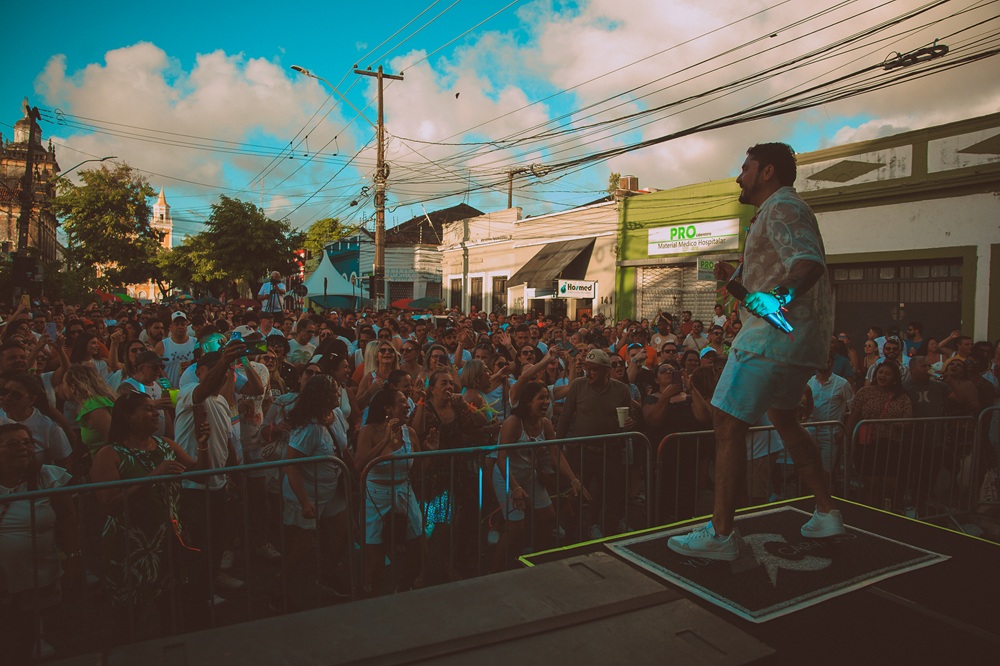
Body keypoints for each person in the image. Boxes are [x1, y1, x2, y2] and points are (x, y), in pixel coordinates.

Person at [668, 143, 843, 561]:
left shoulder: (784, 207)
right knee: (784, 419)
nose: (738, 176)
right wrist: (735, 283)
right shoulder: (770, 214)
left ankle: (722, 534)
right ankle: (825, 511)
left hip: (770, 339)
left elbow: (809, 262)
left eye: (744, 168)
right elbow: (760, 290)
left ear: (767, 171)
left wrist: (777, 299)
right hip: (798, 344)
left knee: (725, 420)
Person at [90, 392, 209, 634]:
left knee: (172, 608)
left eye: (155, 409)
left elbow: (200, 473)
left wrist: (203, 444)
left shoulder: (166, 444)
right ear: (128, 417)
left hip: (166, 541)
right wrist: (153, 476)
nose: (155, 413)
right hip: (129, 545)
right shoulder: (110, 454)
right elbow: (109, 505)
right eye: (147, 409)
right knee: (128, 616)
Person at [0, 423, 81, 663]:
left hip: (39, 576)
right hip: (4, 581)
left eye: (27, 442)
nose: (23, 448)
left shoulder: (46, 475)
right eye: (13, 444)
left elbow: (68, 518)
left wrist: (75, 557)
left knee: (33, 637)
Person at [492, 382, 586, 571]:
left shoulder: (546, 424)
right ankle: (493, 570)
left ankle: (536, 560)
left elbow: (556, 455)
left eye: (547, 398)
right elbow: (502, 459)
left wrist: (573, 479)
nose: (546, 402)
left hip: (529, 475)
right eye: (541, 398)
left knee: (548, 517)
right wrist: (515, 487)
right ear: (527, 402)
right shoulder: (513, 423)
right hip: (507, 477)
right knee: (515, 527)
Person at [557, 349, 634, 538]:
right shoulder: (578, 385)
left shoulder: (621, 390)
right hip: (581, 451)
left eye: (594, 370)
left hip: (610, 451)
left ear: (607, 371)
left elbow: (631, 419)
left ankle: (602, 530)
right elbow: (565, 417)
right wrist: (557, 448)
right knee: (573, 494)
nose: (588, 373)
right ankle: (569, 535)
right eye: (586, 368)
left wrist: (631, 424)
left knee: (611, 497)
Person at [354, 386, 424, 593]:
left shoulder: (409, 433)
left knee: (418, 548)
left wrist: (432, 449)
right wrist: (384, 440)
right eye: (402, 401)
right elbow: (359, 465)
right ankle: (370, 594)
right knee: (374, 556)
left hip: (404, 492)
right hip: (375, 497)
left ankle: (403, 588)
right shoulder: (369, 431)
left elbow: (419, 468)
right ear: (387, 408)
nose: (407, 405)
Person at [846, 363, 913, 508]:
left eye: (888, 374)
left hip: (892, 445)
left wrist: (888, 422)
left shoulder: (902, 397)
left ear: (894, 378)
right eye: (880, 372)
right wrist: (848, 437)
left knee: (890, 484)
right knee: (871, 482)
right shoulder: (864, 392)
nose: (883, 376)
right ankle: (869, 512)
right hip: (868, 444)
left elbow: (907, 422)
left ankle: (886, 512)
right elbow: (854, 416)